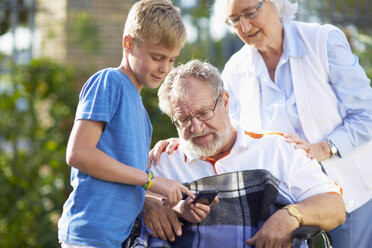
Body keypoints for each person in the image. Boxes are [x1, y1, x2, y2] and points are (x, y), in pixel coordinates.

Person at [150, 1, 372, 247]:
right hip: (284, 189)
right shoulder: (236, 68)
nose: (244, 26)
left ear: (276, 5)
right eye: (234, 20)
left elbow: (367, 114)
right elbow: (222, 122)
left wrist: (322, 148)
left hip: (345, 184)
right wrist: (186, 138)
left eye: (250, 13)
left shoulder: (323, 42)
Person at [140, 59, 345, 248]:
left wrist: (292, 215)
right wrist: (147, 204)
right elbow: (126, 204)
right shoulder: (162, 161)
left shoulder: (277, 148)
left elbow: (334, 206)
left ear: (226, 102)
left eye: (203, 113)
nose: (196, 127)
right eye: (183, 119)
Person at [57, 1, 194, 247]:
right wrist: (152, 180)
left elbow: (126, 179)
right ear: (128, 43)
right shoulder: (109, 82)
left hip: (116, 238)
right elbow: (79, 153)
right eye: (157, 57)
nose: (164, 68)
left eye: (172, 60)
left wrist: (167, 198)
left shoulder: (141, 112)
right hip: (90, 234)